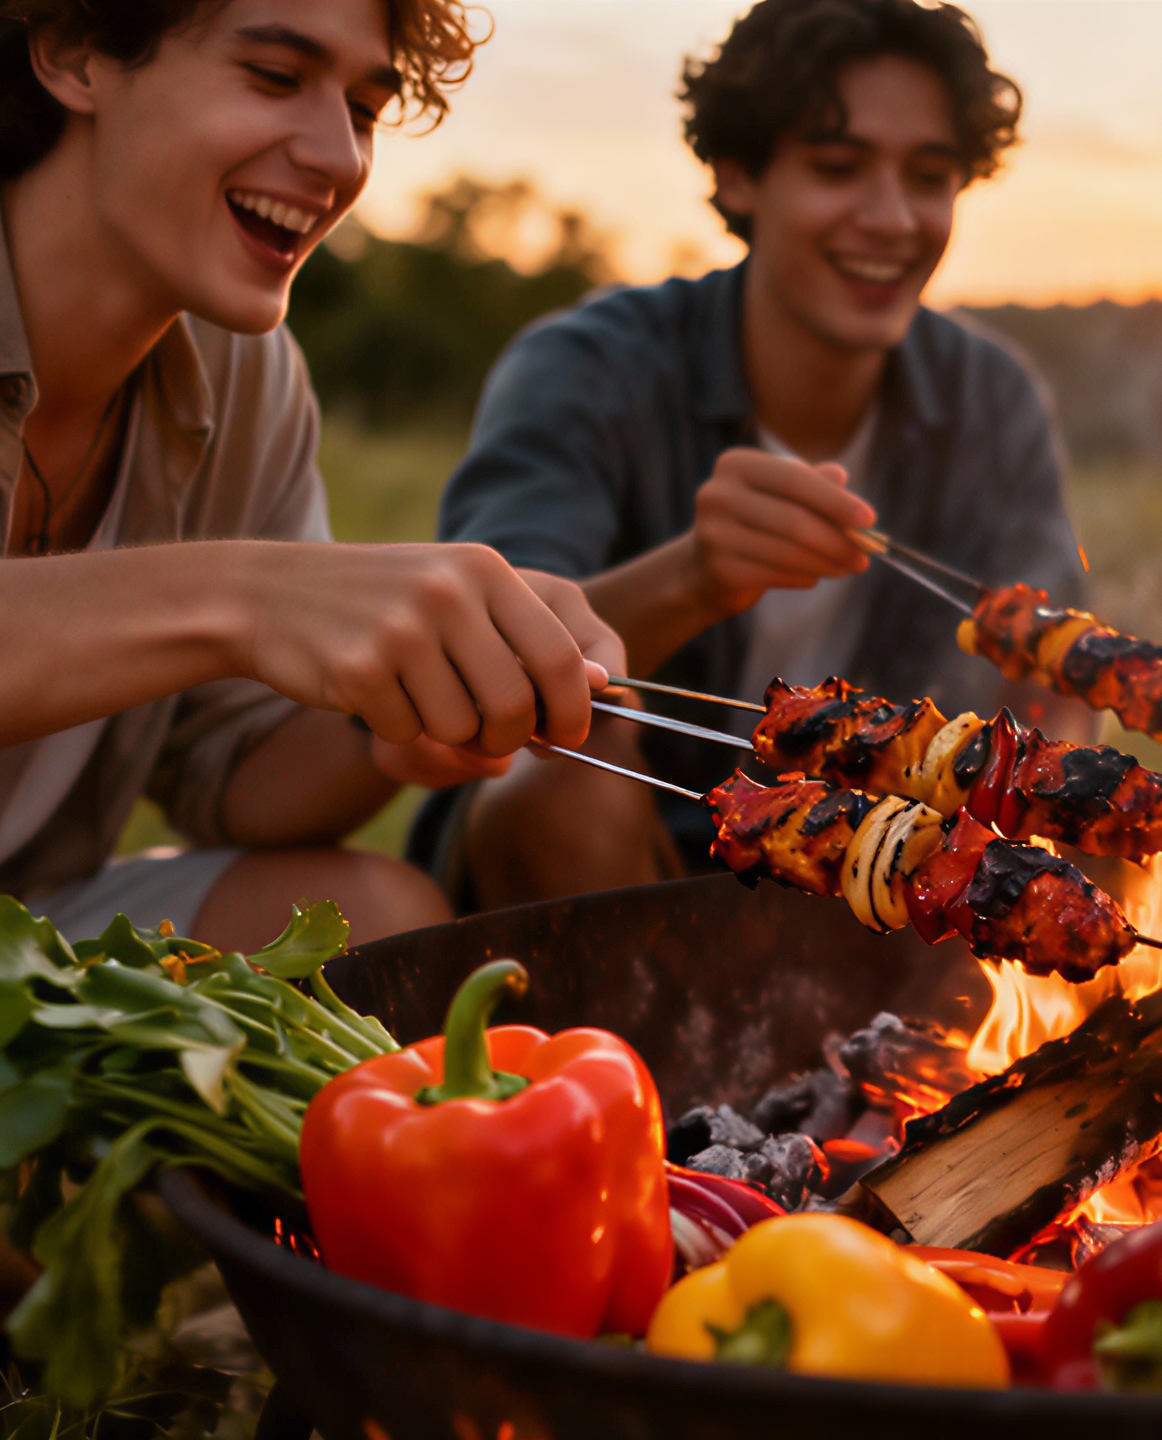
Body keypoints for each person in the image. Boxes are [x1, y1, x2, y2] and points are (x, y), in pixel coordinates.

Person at [0, 0, 624, 953]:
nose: (339, 159)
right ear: (74, 53)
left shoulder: (250, 373)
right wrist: (243, 599)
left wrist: (390, 720)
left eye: (366, 110)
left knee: (378, 923)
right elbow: (241, 608)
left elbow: (235, 777)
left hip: (10, 928)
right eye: (277, 78)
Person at [422, 0, 1087, 911]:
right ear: (738, 176)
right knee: (560, 778)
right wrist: (695, 577)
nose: (892, 218)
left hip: (869, 898)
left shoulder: (990, 400)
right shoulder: (588, 367)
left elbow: (1043, 679)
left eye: (930, 176)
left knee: (1072, 794)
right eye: (836, 166)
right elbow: (477, 660)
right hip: (611, 878)